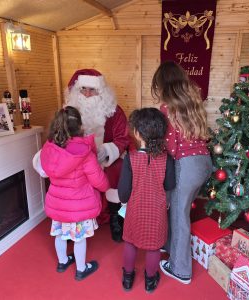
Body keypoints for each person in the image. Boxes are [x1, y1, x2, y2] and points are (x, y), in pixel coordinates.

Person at [151, 61, 213, 284]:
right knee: (178, 209)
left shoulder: (168, 108)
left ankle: (180, 269)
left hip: (185, 166)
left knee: (179, 216)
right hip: (204, 162)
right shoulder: (192, 103)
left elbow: (170, 147)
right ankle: (171, 248)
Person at [39, 106, 110, 281]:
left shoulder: (49, 149)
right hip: (79, 205)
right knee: (79, 238)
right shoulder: (84, 153)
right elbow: (98, 180)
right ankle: (81, 269)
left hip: (58, 204)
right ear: (80, 126)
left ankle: (62, 262)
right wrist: (107, 186)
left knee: (60, 235)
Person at [65, 69, 130, 243]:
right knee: (71, 176)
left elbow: (123, 138)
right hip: (79, 160)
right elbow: (61, 136)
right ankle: (73, 222)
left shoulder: (114, 112)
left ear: (101, 91)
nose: (87, 94)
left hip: (107, 160)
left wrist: (106, 152)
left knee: (118, 170)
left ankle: (116, 217)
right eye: (83, 89)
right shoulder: (69, 113)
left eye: (92, 89)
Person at [118, 108, 175, 293]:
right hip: (157, 211)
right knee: (154, 247)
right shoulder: (167, 159)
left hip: (135, 209)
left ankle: (127, 278)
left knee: (130, 242)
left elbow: (123, 193)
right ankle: (150, 281)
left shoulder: (130, 158)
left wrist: (124, 198)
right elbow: (170, 184)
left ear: (136, 132)